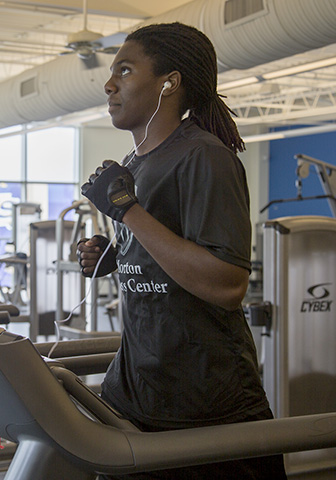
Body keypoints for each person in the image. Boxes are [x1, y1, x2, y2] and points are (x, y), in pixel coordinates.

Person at [78, 23, 287, 479]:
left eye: (126, 70)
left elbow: (228, 284)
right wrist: (115, 255)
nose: (110, 84)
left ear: (169, 82)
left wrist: (127, 211)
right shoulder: (136, 163)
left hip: (206, 404)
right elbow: (166, 249)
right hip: (140, 394)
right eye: (112, 72)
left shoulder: (204, 157)